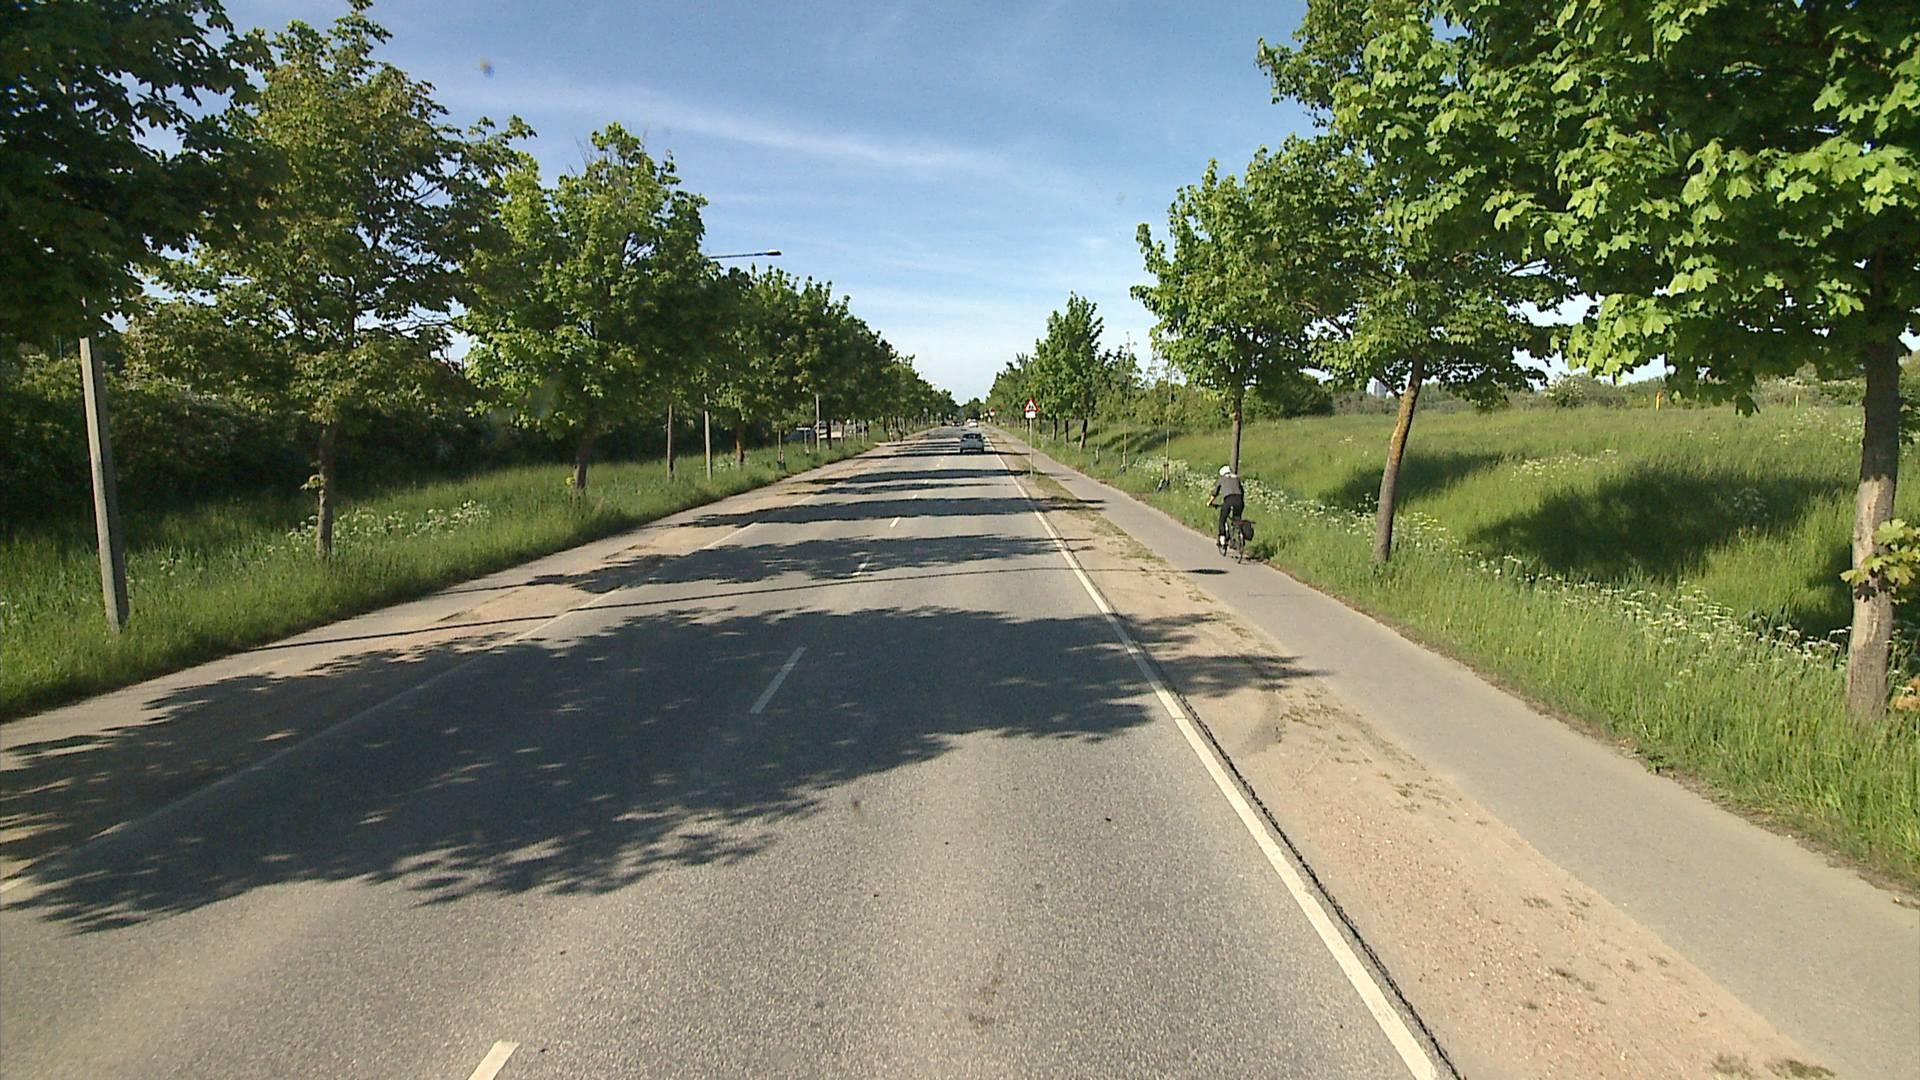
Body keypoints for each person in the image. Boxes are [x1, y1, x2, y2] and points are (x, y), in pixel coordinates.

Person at [1208, 464, 1244, 553]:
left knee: (1222, 520)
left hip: (1228, 500)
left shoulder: (1222, 479)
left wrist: (1210, 502)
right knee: (1236, 520)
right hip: (1239, 501)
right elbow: (1242, 491)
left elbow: (1215, 493)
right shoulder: (1236, 478)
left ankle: (1223, 540)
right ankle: (1238, 537)